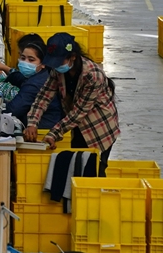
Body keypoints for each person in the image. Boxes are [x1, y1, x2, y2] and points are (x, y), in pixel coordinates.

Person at [24, 33, 119, 173]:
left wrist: (54, 133)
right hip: (77, 126)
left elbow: (79, 112)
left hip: (99, 128)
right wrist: (32, 123)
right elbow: (44, 96)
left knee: (94, 170)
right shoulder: (58, 70)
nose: (56, 67)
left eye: (59, 62)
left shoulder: (93, 75)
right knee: (77, 167)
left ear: (72, 57)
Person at [0, 34, 64, 128]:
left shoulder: (35, 84)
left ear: (43, 64)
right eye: (22, 58)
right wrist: (4, 68)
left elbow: (13, 109)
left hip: (43, 129)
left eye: (31, 60)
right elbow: (21, 79)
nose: (25, 62)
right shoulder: (43, 74)